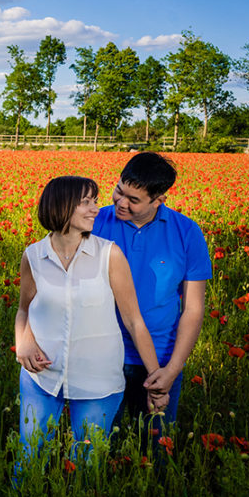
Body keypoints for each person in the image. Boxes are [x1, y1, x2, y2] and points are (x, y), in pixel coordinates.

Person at [15, 175, 165, 467]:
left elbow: (134, 321)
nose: (96, 209)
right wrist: (23, 343)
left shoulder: (108, 255)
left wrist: (155, 380)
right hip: (41, 377)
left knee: (86, 466)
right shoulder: (34, 256)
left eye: (95, 201)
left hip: (98, 381)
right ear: (62, 206)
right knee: (29, 458)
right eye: (86, 202)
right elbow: (25, 308)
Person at [92, 152, 212, 434]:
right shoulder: (94, 222)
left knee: (154, 450)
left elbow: (193, 309)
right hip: (102, 355)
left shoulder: (187, 232)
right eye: (119, 191)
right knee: (99, 447)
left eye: (134, 200)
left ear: (159, 200)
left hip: (160, 360)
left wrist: (171, 370)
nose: (121, 203)